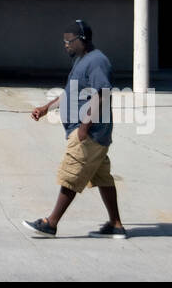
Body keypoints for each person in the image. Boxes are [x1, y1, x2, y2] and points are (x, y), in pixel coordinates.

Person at [24, 19, 126, 238]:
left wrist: (85, 125)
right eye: (64, 41)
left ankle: (50, 223)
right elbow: (70, 93)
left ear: (82, 40)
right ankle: (116, 224)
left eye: (69, 41)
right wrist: (46, 108)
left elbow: (103, 93)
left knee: (70, 175)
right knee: (103, 178)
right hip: (90, 133)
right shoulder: (82, 60)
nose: (66, 45)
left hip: (90, 133)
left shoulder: (97, 61)